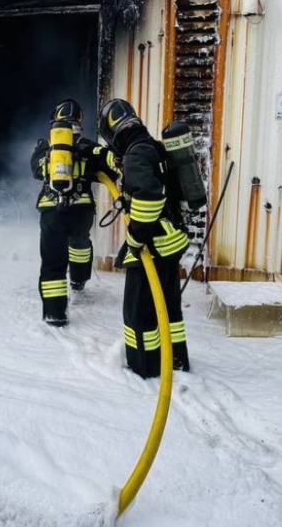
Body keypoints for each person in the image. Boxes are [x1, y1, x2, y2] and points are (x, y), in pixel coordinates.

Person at [98, 98, 191, 378]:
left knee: (138, 314)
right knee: (169, 310)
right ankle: (175, 360)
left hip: (152, 246)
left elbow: (149, 196)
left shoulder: (136, 154)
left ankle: (145, 368)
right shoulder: (153, 147)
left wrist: (136, 240)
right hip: (171, 240)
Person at [30, 99, 120, 327]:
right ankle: (79, 282)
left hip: (52, 211)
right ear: (80, 121)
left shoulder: (46, 146)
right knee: (80, 244)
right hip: (81, 212)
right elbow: (110, 167)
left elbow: (36, 171)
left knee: (52, 262)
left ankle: (55, 314)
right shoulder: (89, 146)